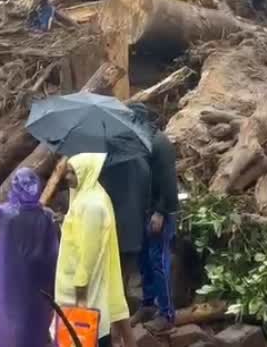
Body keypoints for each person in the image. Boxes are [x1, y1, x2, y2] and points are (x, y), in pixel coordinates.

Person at [56, 154, 134, 347]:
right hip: (78, 286)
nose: (67, 177)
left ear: (86, 173)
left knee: (87, 336)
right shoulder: (86, 196)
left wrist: (80, 288)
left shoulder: (92, 205)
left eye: (72, 173)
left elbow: (90, 251)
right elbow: (78, 236)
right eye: (67, 172)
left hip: (83, 290)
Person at [0, 168, 59, 347]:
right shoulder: (46, 215)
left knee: (6, 318)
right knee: (34, 319)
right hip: (37, 278)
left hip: (6, 277)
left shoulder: (4, 213)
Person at [133, 104, 178, 333]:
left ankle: (167, 314)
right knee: (144, 260)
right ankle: (148, 303)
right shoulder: (142, 142)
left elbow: (169, 183)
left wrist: (160, 211)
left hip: (161, 212)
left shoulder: (160, 144)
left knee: (159, 261)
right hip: (145, 210)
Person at [99, 149, 152, 313]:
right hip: (135, 225)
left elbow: (102, 192)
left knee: (111, 272)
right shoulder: (142, 159)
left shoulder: (109, 163)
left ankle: (112, 313)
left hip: (114, 225)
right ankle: (121, 306)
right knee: (124, 271)